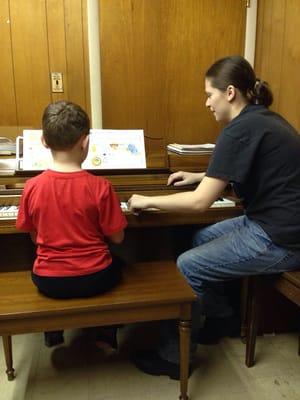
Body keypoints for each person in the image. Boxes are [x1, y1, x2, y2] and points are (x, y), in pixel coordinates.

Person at [128, 55, 300, 379]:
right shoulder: (263, 120)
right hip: (276, 224)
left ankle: (172, 359)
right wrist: (200, 176)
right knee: (199, 238)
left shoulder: (238, 130)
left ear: (230, 92)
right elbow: (245, 170)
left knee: (188, 264)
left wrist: (146, 201)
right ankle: (222, 317)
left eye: (210, 94)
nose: (207, 103)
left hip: (281, 238)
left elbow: (199, 205)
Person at [16, 100, 127, 348]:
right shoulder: (101, 186)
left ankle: (53, 330)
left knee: (35, 259)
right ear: (85, 141)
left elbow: (34, 237)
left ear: (43, 141)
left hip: (48, 281)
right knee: (120, 263)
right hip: (95, 278)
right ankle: (106, 329)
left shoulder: (31, 187)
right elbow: (118, 238)